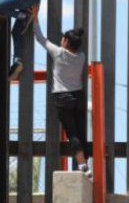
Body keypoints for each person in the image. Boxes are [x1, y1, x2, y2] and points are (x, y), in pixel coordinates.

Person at [33, 18, 92, 179]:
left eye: (62, 38)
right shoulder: (81, 57)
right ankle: (85, 161)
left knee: (72, 132)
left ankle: (83, 165)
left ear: (65, 41)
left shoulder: (58, 53)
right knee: (81, 131)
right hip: (78, 97)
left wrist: (36, 19)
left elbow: (40, 38)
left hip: (63, 98)